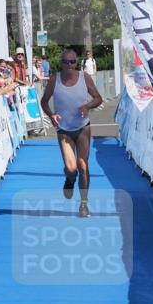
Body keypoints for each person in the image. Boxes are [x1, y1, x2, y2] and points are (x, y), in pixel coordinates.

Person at [40, 48, 103, 218]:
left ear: (77, 63)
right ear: (61, 63)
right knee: (71, 168)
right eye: (66, 62)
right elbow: (44, 101)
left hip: (83, 128)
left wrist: (87, 106)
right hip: (64, 130)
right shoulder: (55, 80)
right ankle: (69, 179)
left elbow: (98, 98)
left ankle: (84, 205)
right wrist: (51, 115)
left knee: (83, 165)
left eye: (72, 62)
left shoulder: (84, 77)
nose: (69, 65)